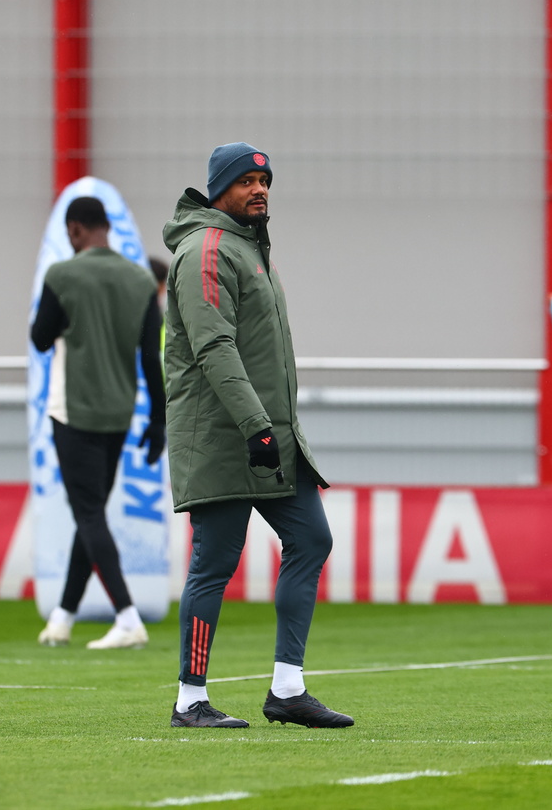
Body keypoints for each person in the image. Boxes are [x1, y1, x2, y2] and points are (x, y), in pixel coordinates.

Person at [163, 143, 352, 729]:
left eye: (265, 180)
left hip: (268, 435)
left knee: (311, 539)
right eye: (246, 180)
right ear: (219, 188)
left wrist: (272, 429)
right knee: (214, 564)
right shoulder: (206, 249)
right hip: (224, 437)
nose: (260, 189)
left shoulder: (248, 248)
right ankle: (190, 700)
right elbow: (213, 346)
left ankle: (287, 690)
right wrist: (255, 425)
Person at [30, 196, 167, 650]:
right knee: (90, 516)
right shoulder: (141, 280)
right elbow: (150, 357)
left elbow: (40, 338)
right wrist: (159, 420)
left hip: (74, 411)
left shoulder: (63, 275)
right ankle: (63, 617)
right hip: (119, 413)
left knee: (88, 514)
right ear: (106, 227)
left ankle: (127, 617)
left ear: (74, 230)